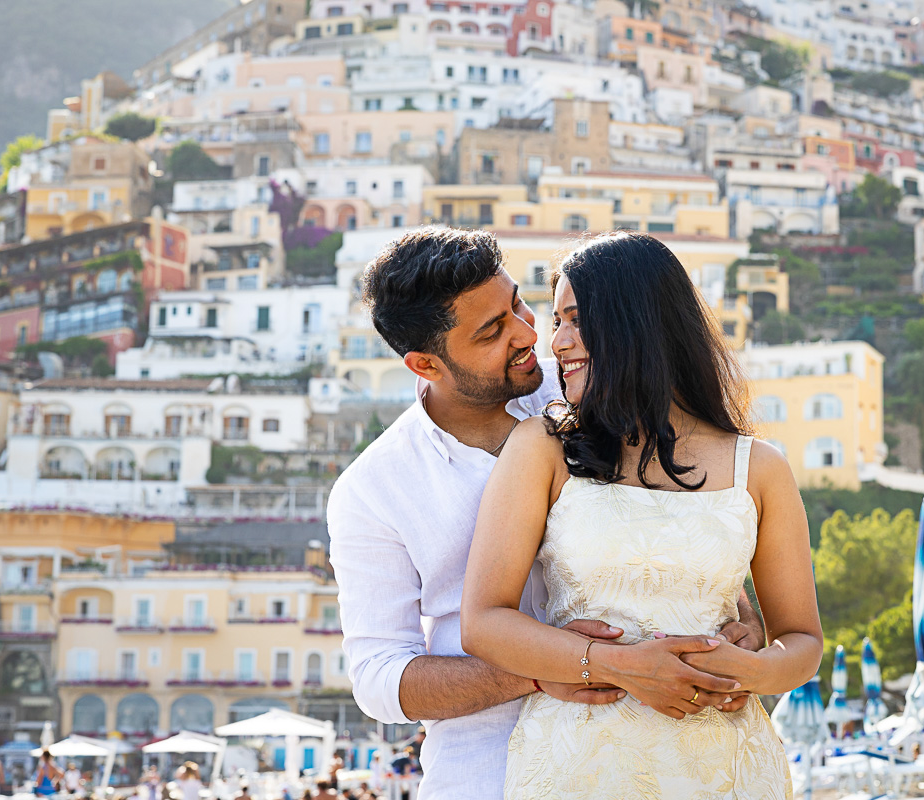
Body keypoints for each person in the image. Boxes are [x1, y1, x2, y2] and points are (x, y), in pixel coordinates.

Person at [327, 227, 764, 799]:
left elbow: (685, 504)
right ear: (425, 364)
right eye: (491, 331)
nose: (528, 333)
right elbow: (380, 680)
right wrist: (547, 669)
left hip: (658, 761)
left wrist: (738, 620)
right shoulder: (374, 488)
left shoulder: (586, 381)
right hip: (487, 776)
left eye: (517, 304)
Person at [461, 231, 823, 797]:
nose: (558, 343)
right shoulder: (542, 447)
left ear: (639, 323)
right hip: (580, 766)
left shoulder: (762, 468)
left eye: (576, 321)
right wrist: (609, 664)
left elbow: (801, 640)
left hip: (724, 767)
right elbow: (483, 621)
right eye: (557, 322)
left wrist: (751, 672)